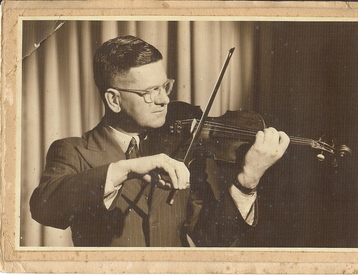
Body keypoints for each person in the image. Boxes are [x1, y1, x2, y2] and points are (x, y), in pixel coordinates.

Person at [30, 35, 290, 247]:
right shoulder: (73, 150)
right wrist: (128, 168)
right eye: (149, 92)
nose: (164, 99)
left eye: (164, 86)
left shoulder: (181, 150)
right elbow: (45, 208)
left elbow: (212, 238)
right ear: (113, 100)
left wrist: (248, 181)